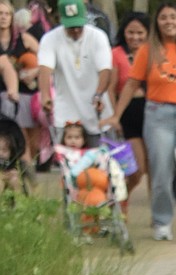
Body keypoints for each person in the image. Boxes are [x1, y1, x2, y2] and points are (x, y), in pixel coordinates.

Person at [102, 2, 176, 244]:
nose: (169, 21)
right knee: (161, 173)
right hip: (158, 114)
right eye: (164, 17)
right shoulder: (148, 50)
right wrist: (116, 115)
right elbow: (132, 84)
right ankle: (162, 221)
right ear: (157, 22)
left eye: (173, 17)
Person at [37, 0, 111, 144]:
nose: (76, 30)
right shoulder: (50, 39)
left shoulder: (98, 36)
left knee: (97, 159)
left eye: (78, 25)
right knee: (67, 160)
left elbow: (105, 70)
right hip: (65, 109)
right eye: (71, 26)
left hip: (94, 107)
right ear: (61, 21)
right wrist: (45, 95)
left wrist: (99, 94)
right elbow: (45, 69)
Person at [109, 10, 148, 206]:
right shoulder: (116, 54)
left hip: (152, 111)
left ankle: (158, 215)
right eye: (130, 32)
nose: (135, 37)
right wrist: (115, 115)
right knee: (137, 168)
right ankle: (119, 199)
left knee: (156, 169)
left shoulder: (152, 52)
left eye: (140, 33)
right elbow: (111, 87)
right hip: (128, 113)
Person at [0, 0, 38, 163]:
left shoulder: (24, 39)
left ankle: (30, 167)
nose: (3, 17)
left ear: (12, 17)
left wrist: (34, 71)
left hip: (25, 92)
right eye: (0, 14)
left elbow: (47, 59)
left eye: (7, 14)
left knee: (29, 139)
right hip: (5, 93)